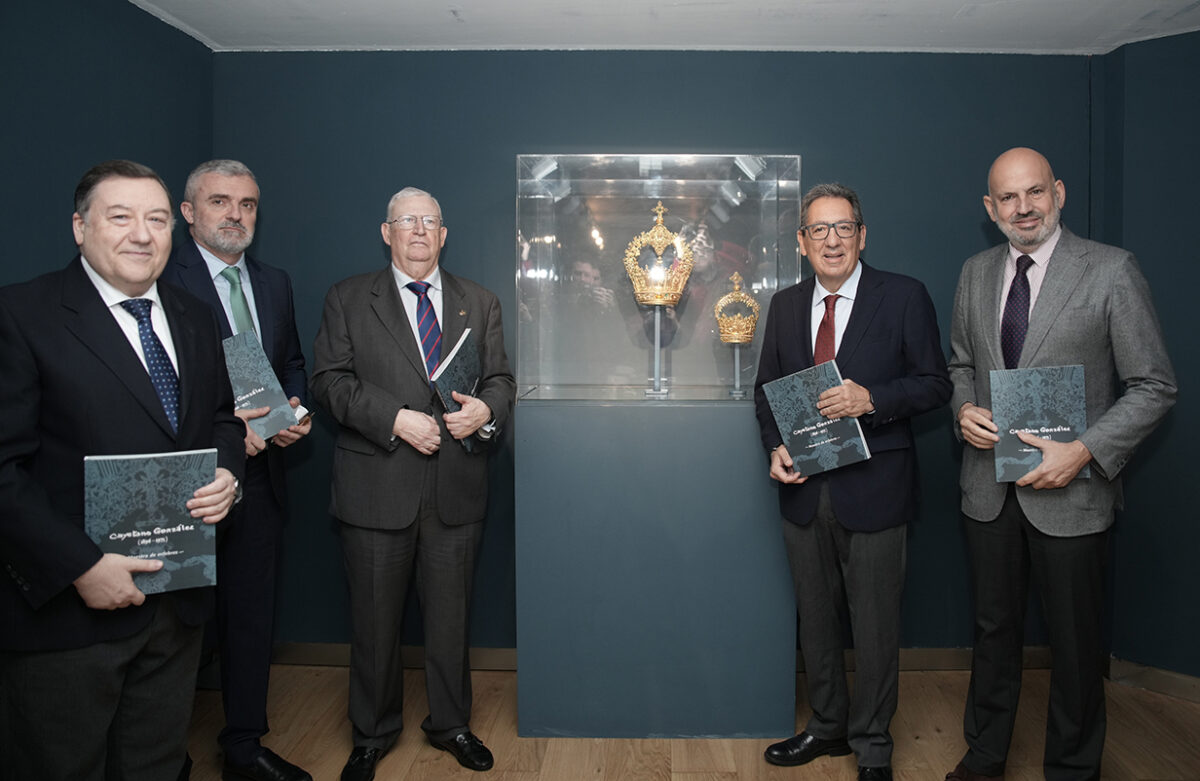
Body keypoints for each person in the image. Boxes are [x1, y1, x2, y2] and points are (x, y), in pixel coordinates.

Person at [0, 160, 244, 780]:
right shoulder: (21, 314)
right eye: (121, 217)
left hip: (177, 606)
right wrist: (80, 566)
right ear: (79, 227)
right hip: (68, 617)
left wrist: (227, 474)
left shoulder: (194, 314)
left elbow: (221, 417)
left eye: (156, 220)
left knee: (155, 765)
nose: (142, 234)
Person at [945, 147, 1177, 781]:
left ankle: (1073, 769)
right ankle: (984, 756)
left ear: (1059, 193)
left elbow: (1154, 385)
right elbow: (961, 364)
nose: (1023, 208)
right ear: (990, 208)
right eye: (1008, 197)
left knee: (1075, 646)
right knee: (993, 634)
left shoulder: (1111, 270)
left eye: (1035, 192)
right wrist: (963, 409)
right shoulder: (975, 272)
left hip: (1073, 495)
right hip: (988, 489)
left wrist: (1085, 451)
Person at [311, 187, 515, 781]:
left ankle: (451, 725)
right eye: (407, 220)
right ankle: (372, 734)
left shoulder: (480, 301)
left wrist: (486, 410)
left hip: (457, 489)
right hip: (376, 487)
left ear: (444, 235)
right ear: (387, 232)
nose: (419, 230)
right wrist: (394, 419)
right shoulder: (349, 298)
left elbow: (500, 379)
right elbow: (328, 381)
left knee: (451, 621)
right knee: (374, 624)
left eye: (430, 221)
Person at [753, 183, 951, 781]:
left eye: (843, 228)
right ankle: (827, 726)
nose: (832, 240)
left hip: (876, 489)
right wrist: (775, 446)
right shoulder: (784, 306)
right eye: (819, 229)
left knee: (875, 627)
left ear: (862, 236)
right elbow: (766, 393)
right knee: (815, 621)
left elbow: (936, 384)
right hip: (805, 492)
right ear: (801, 242)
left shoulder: (904, 296)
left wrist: (873, 400)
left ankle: (873, 746)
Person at [162, 159, 313, 781]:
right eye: (220, 201)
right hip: (192, 482)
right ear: (188, 212)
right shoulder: (160, 277)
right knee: (175, 630)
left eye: (247, 204)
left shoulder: (274, 282)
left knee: (251, 620)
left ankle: (244, 747)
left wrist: (294, 408)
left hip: (261, 480)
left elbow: (292, 361)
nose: (235, 214)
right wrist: (228, 433)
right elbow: (155, 387)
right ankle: (161, 756)